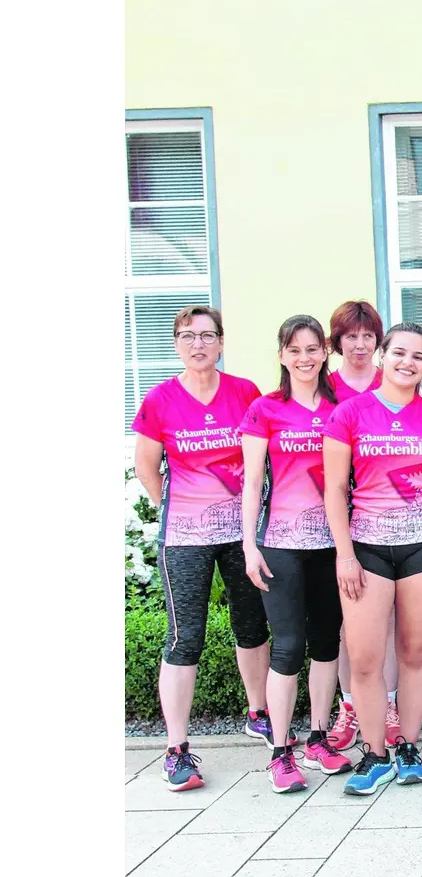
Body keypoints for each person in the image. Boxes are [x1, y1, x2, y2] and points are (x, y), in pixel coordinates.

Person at [324, 323, 422, 793]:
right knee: (365, 660)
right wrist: (344, 555)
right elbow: (334, 490)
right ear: (382, 356)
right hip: (366, 550)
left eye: (419, 356)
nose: (408, 362)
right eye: (400, 353)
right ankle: (375, 753)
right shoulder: (349, 414)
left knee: (413, 652)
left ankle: (407, 745)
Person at [132, 305, 271, 792]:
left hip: (241, 534)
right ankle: (176, 749)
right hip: (185, 538)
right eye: (188, 336)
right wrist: (179, 509)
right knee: (184, 637)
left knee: (252, 625)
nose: (198, 344)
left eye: (207, 336)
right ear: (176, 344)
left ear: (221, 342)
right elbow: (147, 468)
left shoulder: (245, 393)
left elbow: (260, 458)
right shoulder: (160, 399)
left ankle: (260, 713)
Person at [239, 315, 355, 792]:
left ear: (325, 352)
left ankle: (318, 737)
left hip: (333, 543)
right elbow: (251, 483)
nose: (305, 358)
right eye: (295, 350)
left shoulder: (345, 405)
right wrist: (249, 543)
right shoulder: (265, 409)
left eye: (313, 349)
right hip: (281, 543)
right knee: (287, 647)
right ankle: (281, 751)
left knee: (328, 642)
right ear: (282, 355)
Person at [325, 299, 400, 752]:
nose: (359, 344)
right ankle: (349, 704)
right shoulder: (323, 388)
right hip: (328, 520)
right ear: (337, 341)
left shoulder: (387, 383)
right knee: (343, 625)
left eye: (368, 336)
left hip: (380, 521)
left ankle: (387, 702)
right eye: (350, 336)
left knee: (383, 621)